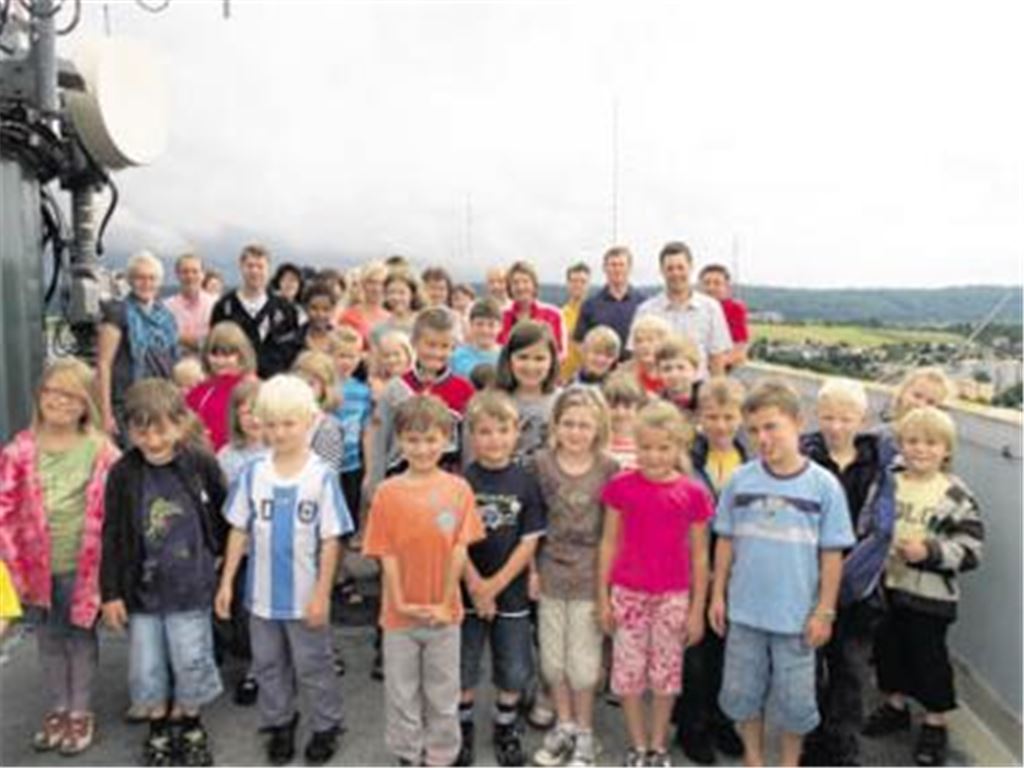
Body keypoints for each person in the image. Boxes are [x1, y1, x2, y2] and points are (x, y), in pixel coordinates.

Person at [709, 380, 854, 767]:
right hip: (745, 614)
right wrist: (717, 595)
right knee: (743, 695)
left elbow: (832, 554)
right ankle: (753, 759)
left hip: (797, 619)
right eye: (754, 430)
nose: (762, 438)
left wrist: (824, 611)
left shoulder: (824, 486)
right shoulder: (740, 480)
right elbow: (725, 541)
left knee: (795, 703)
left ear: (797, 423)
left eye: (772, 427)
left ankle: (789, 762)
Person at [216, 374, 353, 766]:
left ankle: (327, 724)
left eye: (288, 423)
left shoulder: (321, 477)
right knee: (268, 664)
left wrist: (323, 594)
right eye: (270, 423)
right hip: (260, 598)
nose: (278, 432)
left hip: (305, 597)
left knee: (315, 664)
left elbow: (331, 540)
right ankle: (280, 722)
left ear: (309, 422)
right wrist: (226, 582)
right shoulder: (254, 472)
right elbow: (239, 528)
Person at [100, 378, 229, 766]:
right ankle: (158, 727)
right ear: (128, 429)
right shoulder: (123, 473)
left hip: (191, 586)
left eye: (161, 428)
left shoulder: (198, 462)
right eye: (141, 430)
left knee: (191, 657)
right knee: (147, 664)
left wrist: (220, 558)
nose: (153, 440)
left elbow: (220, 510)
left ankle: (189, 722)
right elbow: (113, 534)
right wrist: (110, 593)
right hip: (142, 591)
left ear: (180, 422)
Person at [0, 359, 120, 756]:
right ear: (40, 395)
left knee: (80, 638)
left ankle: (80, 710)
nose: (61, 401)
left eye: (72, 395)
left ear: (87, 403)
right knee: (48, 639)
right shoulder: (19, 449)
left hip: (84, 567)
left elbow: (119, 506)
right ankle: (58, 707)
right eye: (53, 391)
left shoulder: (101, 451)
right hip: (34, 568)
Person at [362, 396, 485, 767]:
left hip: (444, 614)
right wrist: (398, 601)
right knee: (401, 693)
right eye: (413, 440)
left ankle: (442, 754)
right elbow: (386, 553)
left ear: (446, 439)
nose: (422, 448)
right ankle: (407, 754)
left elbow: (459, 549)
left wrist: (447, 600)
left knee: (442, 692)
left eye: (431, 439)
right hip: (399, 617)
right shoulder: (387, 492)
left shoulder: (458, 489)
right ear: (400, 440)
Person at [861, 407, 983, 768]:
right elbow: (867, 521)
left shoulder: (955, 493)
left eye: (931, 443)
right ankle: (895, 705)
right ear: (900, 445)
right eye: (912, 441)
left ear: (947, 449)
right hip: (887, 587)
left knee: (928, 659)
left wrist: (928, 552)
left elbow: (972, 550)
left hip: (931, 596)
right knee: (888, 650)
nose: (921, 450)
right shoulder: (888, 482)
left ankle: (935, 722)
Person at [597, 401, 712, 767]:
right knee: (628, 675)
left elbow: (700, 558)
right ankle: (637, 744)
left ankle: (658, 746)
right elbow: (609, 543)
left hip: (673, 597)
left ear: (678, 447)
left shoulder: (693, 494)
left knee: (666, 677)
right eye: (645, 447)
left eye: (664, 447)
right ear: (635, 445)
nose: (654, 455)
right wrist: (602, 598)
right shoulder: (621, 487)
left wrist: (697, 610)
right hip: (628, 594)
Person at [457, 391, 548, 767]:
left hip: (509, 591)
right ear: (471, 436)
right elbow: (454, 541)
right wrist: (476, 585)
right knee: (463, 663)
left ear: (518, 433)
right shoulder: (461, 482)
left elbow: (529, 541)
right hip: (464, 591)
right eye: (484, 432)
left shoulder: (526, 482)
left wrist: (493, 586)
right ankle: (461, 729)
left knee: (513, 664)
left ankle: (506, 724)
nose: (494, 440)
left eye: (502, 431)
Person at [797, 377, 883, 766]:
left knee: (850, 667)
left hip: (859, 582)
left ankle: (842, 743)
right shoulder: (803, 457)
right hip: (810, 576)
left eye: (846, 418)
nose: (836, 426)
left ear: (861, 419)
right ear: (817, 415)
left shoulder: (879, 463)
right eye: (828, 417)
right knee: (809, 666)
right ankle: (811, 739)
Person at [532, 387, 619, 768]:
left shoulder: (609, 468)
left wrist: (608, 588)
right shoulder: (540, 464)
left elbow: (614, 535)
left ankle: (585, 731)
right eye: (568, 423)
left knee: (583, 663)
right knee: (554, 660)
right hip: (550, 570)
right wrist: (532, 571)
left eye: (584, 425)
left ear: (599, 427)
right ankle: (564, 724)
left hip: (590, 575)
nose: (576, 432)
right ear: (556, 425)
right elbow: (531, 525)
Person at [674, 377, 748, 765]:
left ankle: (723, 720)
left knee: (730, 651)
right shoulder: (687, 457)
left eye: (729, 417)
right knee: (695, 651)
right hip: (694, 564)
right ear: (699, 418)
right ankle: (692, 724)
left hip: (737, 568)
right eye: (712, 417)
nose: (721, 425)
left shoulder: (749, 458)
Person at [367, 308, 474, 496]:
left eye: (444, 346)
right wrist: (374, 484)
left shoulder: (464, 391)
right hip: (399, 482)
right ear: (415, 343)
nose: (436, 353)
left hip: (445, 486)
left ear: (453, 348)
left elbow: (468, 447)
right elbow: (379, 439)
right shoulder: (395, 389)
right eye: (430, 345)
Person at [214, 378, 265, 707]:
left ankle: (266, 669)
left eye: (258, 411)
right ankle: (251, 665)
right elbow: (223, 505)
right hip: (242, 547)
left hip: (275, 548)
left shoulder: (280, 450)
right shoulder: (227, 456)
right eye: (245, 411)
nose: (252, 418)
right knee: (244, 610)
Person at [97, 250, 180, 442]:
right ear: (130, 280)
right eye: (140, 278)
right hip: (128, 403)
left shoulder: (166, 317)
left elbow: (173, 359)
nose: (146, 283)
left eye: (152, 278)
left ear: (159, 282)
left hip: (162, 401)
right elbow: (103, 364)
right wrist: (105, 414)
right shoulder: (117, 312)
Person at [634, 242, 732, 380]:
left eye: (681, 267)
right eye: (670, 268)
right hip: (657, 393)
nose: (676, 273)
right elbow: (637, 359)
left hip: (698, 391)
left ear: (691, 267)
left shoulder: (711, 309)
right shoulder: (646, 311)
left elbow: (717, 360)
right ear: (661, 271)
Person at [211, 244, 302, 379]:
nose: (254, 271)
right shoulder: (224, 307)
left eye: (260, 266)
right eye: (250, 266)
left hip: (274, 384)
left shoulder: (286, 309)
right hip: (235, 383)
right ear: (241, 268)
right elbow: (215, 346)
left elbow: (293, 349)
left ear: (268, 270)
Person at [185, 321, 257, 451]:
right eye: (214, 354)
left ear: (242, 355)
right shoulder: (198, 392)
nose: (220, 361)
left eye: (228, 354)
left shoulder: (253, 389)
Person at [494, 321, 561, 462]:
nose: (531, 366)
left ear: (552, 361)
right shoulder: (492, 401)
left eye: (539, 359)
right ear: (508, 359)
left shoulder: (562, 402)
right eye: (523, 357)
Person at [330, 326, 374, 532]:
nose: (346, 362)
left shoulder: (363, 390)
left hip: (352, 463)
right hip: (326, 463)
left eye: (352, 356)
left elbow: (366, 430)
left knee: (348, 518)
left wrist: (369, 467)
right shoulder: (324, 387)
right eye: (341, 356)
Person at [573, 246, 645, 359]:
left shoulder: (643, 304)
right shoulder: (590, 305)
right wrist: (594, 362)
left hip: (634, 371)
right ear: (604, 268)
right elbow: (578, 341)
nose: (617, 269)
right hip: (602, 372)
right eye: (613, 265)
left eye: (621, 265)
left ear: (630, 268)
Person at [292, 351, 347, 478]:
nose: (303, 388)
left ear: (324, 388)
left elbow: (327, 474)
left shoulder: (328, 427)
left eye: (311, 384)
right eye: (299, 382)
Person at [498, 261, 566, 358]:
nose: (521, 287)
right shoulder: (500, 316)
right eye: (515, 283)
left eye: (525, 281)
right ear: (509, 288)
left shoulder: (553, 314)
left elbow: (560, 352)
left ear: (534, 285)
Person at [164, 253, 216, 356]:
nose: (190, 276)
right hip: (175, 368)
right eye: (185, 272)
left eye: (195, 271)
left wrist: (181, 338)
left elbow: (218, 341)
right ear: (177, 275)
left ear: (203, 274)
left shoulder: (215, 305)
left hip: (208, 368)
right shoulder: (166, 308)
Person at [698, 264, 749, 368]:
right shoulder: (694, 308)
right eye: (706, 283)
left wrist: (708, 364)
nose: (711, 287)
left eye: (717, 283)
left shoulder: (734, 309)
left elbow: (739, 352)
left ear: (727, 287)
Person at [335, 261, 391, 344]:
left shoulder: (390, 318)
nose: (376, 288)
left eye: (381, 283)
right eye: (372, 282)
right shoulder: (348, 316)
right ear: (363, 284)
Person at [370, 268, 423, 347]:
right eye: (391, 292)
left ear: (412, 294)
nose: (396, 297)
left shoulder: (424, 323)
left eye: (402, 293)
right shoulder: (378, 329)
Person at [602, 373, 646, 470]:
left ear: (638, 408)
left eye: (627, 407)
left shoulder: (646, 442)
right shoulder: (599, 443)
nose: (620, 413)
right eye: (613, 406)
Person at [619, 314, 672, 395]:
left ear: (664, 343)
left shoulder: (675, 371)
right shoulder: (623, 374)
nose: (644, 346)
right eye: (639, 341)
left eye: (650, 340)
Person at [451, 298, 503, 379]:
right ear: (471, 325)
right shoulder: (456, 357)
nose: (485, 330)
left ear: (500, 327)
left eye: (491, 325)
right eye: (479, 324)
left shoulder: (506, 356)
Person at [560, 262, 591, 384]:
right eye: (574, 281)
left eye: (582, 281)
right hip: (563, 379)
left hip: (588, 377)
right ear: (567, 284)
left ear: (588, 285)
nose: (578, 285)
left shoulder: (595, 314)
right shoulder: (559, 315)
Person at [655, 336, 701, 415]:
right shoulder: (656, 407)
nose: (674, 374)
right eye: (667, 369)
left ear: (695, 369)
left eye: (681, 368)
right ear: (659, 372)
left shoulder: (707, 402)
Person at [299, 281, 340, 354]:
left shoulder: (340, 341)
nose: (320, 314)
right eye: (314, 308)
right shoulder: (291, 343)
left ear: (333, 310)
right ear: (305, 308)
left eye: (325, 309)